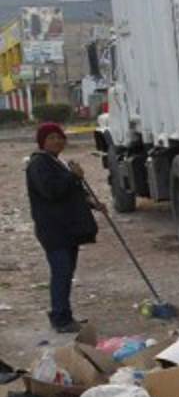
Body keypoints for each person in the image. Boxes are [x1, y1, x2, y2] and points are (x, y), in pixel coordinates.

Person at [26, 122, 99, 333]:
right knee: (62, 272)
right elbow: (52, 191)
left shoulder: (56, 162)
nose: (57, 141)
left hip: (67, 229)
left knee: (66, 273)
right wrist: (72, 176)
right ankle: (61, 319)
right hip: (54, 230)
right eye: (51, 138)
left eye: (60, 137)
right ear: (42, 142)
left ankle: (63, 314)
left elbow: (69, 194)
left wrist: (92, 203)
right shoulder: (39, 164)